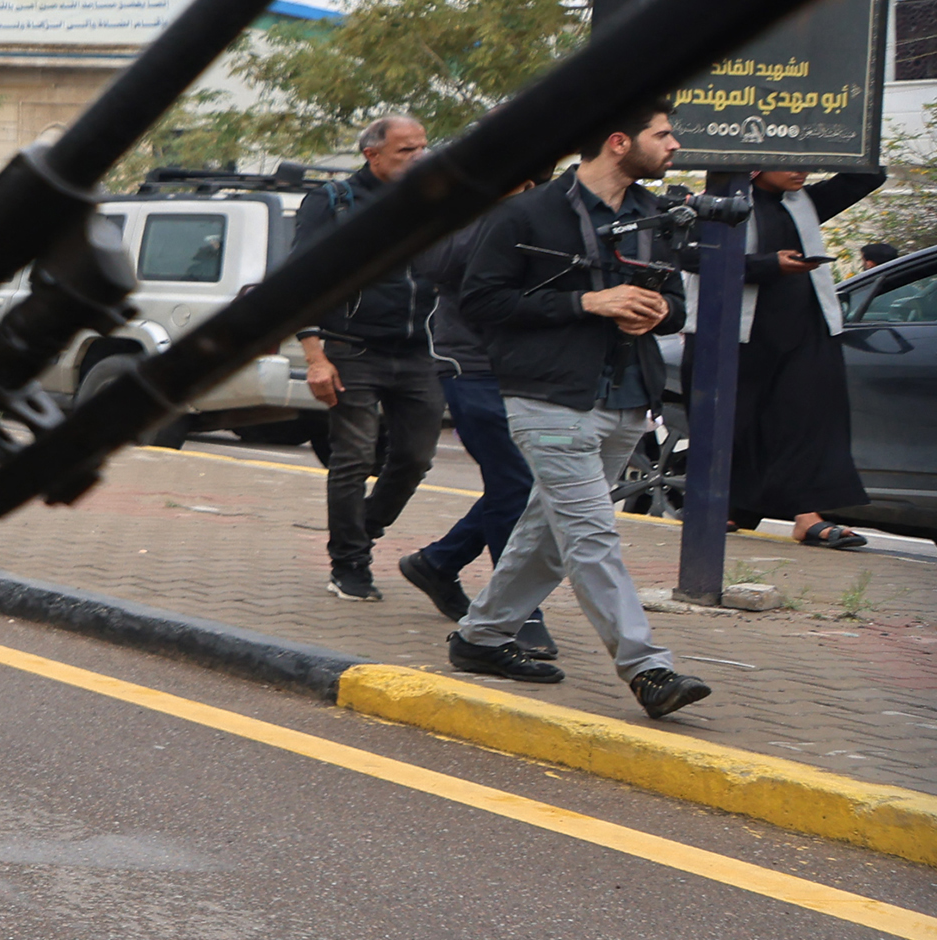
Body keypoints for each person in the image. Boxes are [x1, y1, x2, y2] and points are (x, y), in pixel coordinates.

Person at [445, 111, 710, 719]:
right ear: (619, 142)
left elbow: (674, 302)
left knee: (550, 535)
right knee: (591, 535)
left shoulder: (656, 217)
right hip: (547, 397)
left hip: (625, 398)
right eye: (662, 135)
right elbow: (482, 299)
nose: (674, 145)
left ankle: (479, 638)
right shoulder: (525, 213)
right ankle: (648, 668)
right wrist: (586, 300)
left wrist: (657, 313)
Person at [292, 110, 446, 602]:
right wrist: (316, 356)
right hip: (351, 350)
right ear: (371, 153)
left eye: (423, 148)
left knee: (415, 458)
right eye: (406, 150)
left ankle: (364, 529)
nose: (419, 158)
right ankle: (350, 563)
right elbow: (298, 283)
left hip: (419, 354)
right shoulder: (333, 203)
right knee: (353, 458)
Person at [392, 191, 547, 653]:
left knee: (529, 483)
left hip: (537, 364)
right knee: (514, 481)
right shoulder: (457, 209)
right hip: (470, 363)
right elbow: (437, 265)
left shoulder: (554, 202)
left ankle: (439, 562)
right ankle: (517, 610)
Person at [721, 164, 888, 548]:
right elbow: (695, 259)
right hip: (739, 333)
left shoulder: (805, 201)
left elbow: (869, 176)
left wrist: (828, 139)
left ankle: (807, 517)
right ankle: (731, 507)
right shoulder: (723, 204)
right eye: (793, 161)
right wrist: (769, 265)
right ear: (757, 166)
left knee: (808, 424)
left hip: (805, 331)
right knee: (738, 421)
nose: (804, 170)